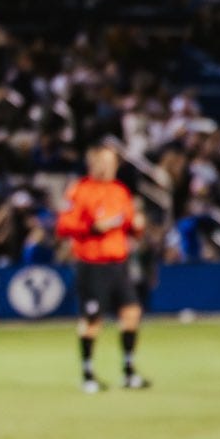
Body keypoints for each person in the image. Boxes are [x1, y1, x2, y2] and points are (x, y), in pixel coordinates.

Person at [56, 145, 149, 393]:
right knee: (92, 320)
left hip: (118, 263)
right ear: (93, 163)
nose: (109, 167)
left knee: (131, 313)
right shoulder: (80, 190)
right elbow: (64, 225)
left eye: (112, 162)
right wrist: (94, 227)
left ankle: (128, 371)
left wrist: (138, 225)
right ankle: (87, 373)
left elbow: (129, 222)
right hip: (92, 264)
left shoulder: (120, 191)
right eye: (104, 162)